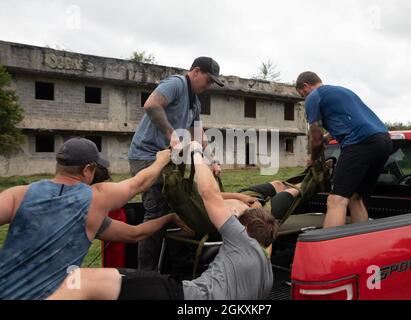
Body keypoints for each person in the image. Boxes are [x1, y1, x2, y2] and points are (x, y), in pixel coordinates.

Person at [48, 141, 278, 300]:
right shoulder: (267, 269)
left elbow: (208, 193)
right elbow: (133, 233)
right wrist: (168, 217)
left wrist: (192, 153)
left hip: (182, 295)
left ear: (245, 229)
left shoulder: (240, 239)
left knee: (82, 280)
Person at [0, 138, 190, 300]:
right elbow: (139, 184)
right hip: (51, 295)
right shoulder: (95, 199)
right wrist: (161, 159)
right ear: (87, 169)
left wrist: (167, 218)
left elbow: (134, 234)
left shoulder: (18, 194)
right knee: (151, 285)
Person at [128, 57, 224, 271]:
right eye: (208, 80)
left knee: (178, 210)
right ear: (196, 71)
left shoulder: (195, 102)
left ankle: (170, 269)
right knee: (156, 215)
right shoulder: (176, 84)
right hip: (146, 156)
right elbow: (151, 104)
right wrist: (171, 134)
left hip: (167, 160)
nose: (208, 86)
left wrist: (212, 160)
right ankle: (146, 274)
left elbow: (199, 134)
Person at [296, 71, 393, 228]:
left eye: (302, 95)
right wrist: (329, 137)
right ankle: (361, 243)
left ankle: (329, 250)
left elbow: (315, 138)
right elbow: (351, 120)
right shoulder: (343, 91)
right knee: (355, 197)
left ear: (305, 86)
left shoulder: (313, 97)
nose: (304, 98)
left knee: (336, 200)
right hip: (384, 140)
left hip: (360, 143)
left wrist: (313, 159)